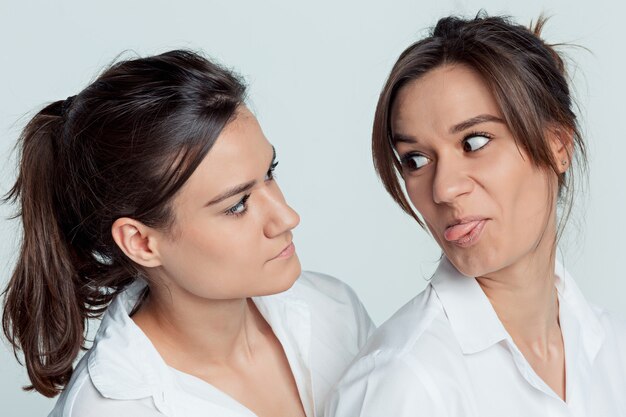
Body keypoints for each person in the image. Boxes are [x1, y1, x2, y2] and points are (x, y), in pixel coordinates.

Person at [2, 50, 374, 417]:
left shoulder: (333, 310)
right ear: (141, 242)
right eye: (237, 205)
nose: (287, 217)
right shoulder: (111, 409)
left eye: (270, 173)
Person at [326, 14, 626, 416]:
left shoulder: (611, 346)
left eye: (474, 142)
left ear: (557, 144)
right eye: (415, 159)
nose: (444, 189)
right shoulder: (406, 383)